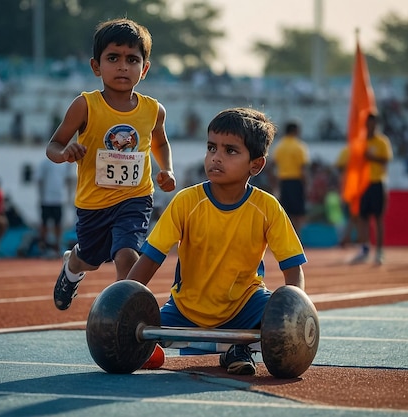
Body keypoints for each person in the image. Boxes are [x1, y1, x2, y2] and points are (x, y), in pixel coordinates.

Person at [125, 108, 307, 375]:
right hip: (186, 308)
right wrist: (125, 302)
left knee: (277, 311)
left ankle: (239, 348)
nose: (216, 158)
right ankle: (225, 345)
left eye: (230, 151)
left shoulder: (267, 207)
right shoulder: (186, 202)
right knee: (133, 328)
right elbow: (151, 257)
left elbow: (292, 267)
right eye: (212, 148)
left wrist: (295, 312)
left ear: (255, 165)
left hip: (246, 306)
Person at [46, 18, 176, 311]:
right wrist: (66, 152)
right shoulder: (85, 105)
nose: (122, 66)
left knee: (127, 253)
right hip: (93, 203)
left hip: (135, 197)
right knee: (90, 259)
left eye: (132, 60)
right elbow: (52, 146)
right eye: (113, 58)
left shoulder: (153, 110)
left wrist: (166, 168)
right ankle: (72, 266)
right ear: (96, 66)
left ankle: (123, 314)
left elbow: (160, 142)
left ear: (144, 69)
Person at [350, 113, 393, 265]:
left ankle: (379, 251)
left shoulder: (382, 141)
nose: (370, 126)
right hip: (362, 184)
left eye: (373, 123)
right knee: (362, 218)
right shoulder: (360, 141)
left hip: (376, 182)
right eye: (368, 123)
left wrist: (371, 157)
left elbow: (386, 160)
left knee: (378, 218)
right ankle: (364, 249)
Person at [272, 120, 310, 232]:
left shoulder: (280, 146)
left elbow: (273, 165)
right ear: (296, 130)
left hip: (283, 182)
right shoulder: (299, 146)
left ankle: (287, 239)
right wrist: (306, 184)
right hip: (296, 181)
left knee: (285, 213)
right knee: (298, 214)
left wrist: (274, 181)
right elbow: (303, 168)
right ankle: (297, 239)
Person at [36, 158, 74, 257]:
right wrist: (41, 197)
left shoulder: (65, 164)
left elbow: (69, 180)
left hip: (59, 198)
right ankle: (43, 246)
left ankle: (57, 247)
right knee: (44, 224)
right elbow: (40, 180)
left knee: (58, 224)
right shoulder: (44, 163)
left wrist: (69, 197)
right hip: (46, 199)